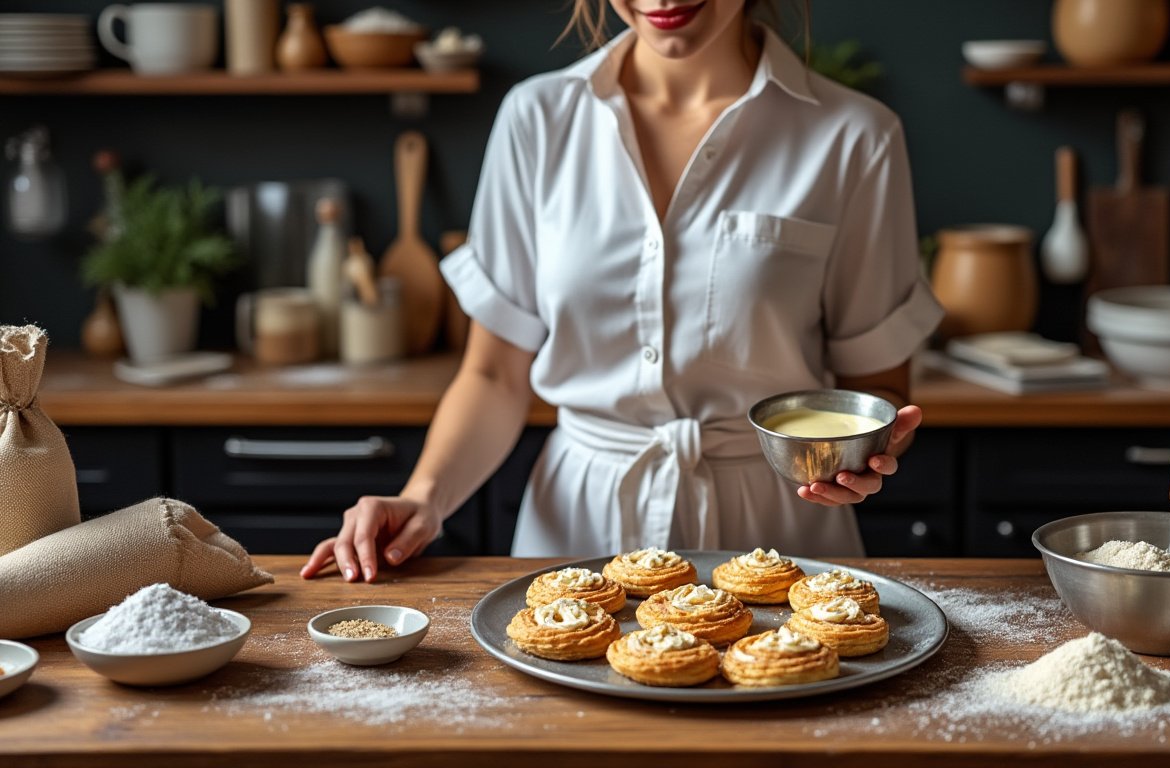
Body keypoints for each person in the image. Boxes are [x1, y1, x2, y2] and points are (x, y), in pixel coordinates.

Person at [301, 0, 943, 584]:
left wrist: (863, 450)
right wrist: (422, 497)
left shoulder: (856, 136)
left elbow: (879, 392)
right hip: (577, 527)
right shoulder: (538, 118)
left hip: (781, 528)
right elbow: (495, 374)